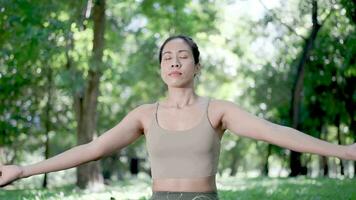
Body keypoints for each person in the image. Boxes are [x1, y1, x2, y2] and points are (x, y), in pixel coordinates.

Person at [0, 35, 355, 200]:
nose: (173, 61)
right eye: (167, 56)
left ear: (196, 66)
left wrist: (345, 152)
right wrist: (22, 170)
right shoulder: (143, 115)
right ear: (160, 69)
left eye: (182, 56)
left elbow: (274, 132)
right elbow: (92, 149)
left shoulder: (219, 110)